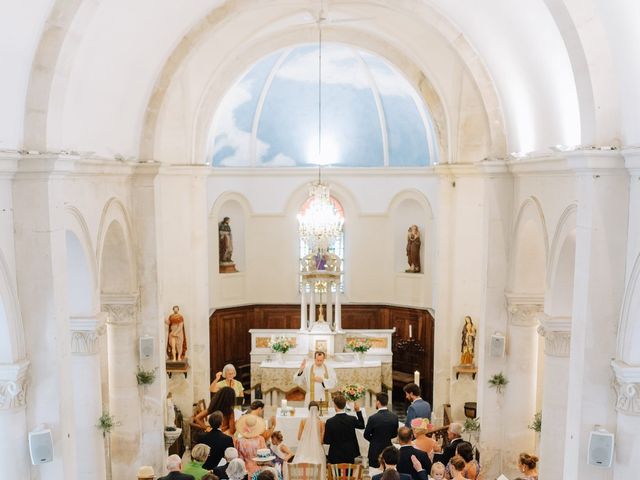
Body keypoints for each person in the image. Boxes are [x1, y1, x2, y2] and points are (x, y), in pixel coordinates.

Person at [323, 393, 365, 464]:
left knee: (336, 474)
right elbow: (362, 426)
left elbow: (327, 441)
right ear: (345, 405)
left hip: (335, 454)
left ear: (335, 406)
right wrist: (358, 411)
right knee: (349, 473)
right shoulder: (352, 419)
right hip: (350, 452)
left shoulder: (330, 422)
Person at [364, 392, 400, 468]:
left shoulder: (373, 418)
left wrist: (374, 440)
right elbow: (394, 434)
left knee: (374, 473)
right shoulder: (394, 417)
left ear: (378, 402)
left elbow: (366, 435)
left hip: (374, 450)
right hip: (388, 449)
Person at [293, 401, 326, 470]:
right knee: (318, 469)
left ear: (308, 409)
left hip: (305, 448)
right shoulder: (321, 422)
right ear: (318, 410)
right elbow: (322, 441)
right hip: (317, 450)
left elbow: (299, 437)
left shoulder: (303, 421)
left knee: (305, 469)